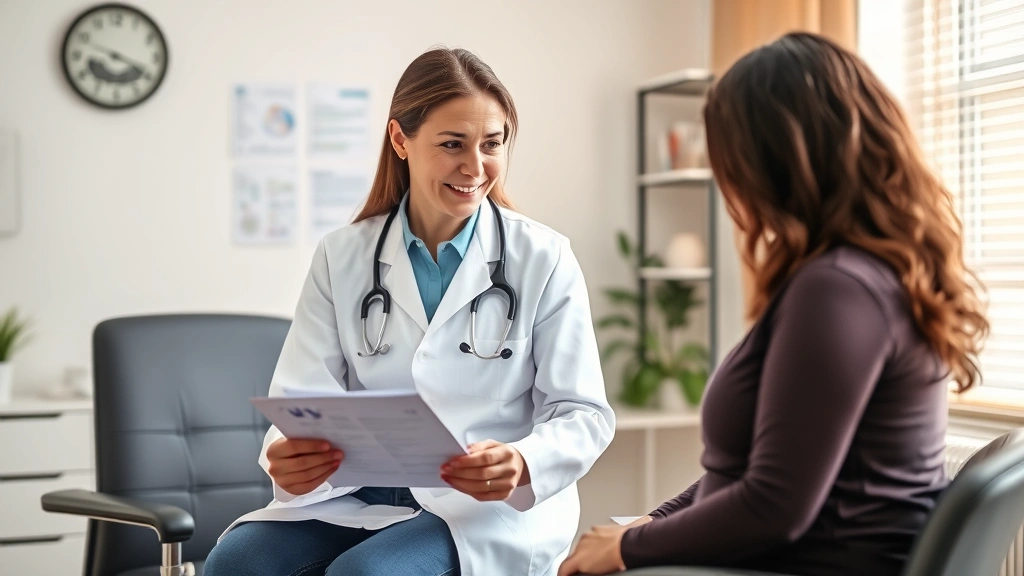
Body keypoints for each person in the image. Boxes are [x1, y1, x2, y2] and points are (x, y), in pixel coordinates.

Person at [559, 32, 988, 576]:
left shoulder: (836, 290)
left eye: (730, 159)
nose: (726, 182)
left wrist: (628, 549)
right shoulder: (868, 275)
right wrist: (649, 523)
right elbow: (751, 473)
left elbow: (773, 504)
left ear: (776, 160)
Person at [205, 47, 615, 576]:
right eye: (452, 145)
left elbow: (584, 413)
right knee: (237, 562)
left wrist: (523, 461)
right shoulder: (343, 256)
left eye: (492, 144)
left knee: (367, 575)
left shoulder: (543, 257)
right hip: (360, 493)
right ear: (401, 139)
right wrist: (287, 454)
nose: (475, 167)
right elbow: (302, 399)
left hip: (480, 507)